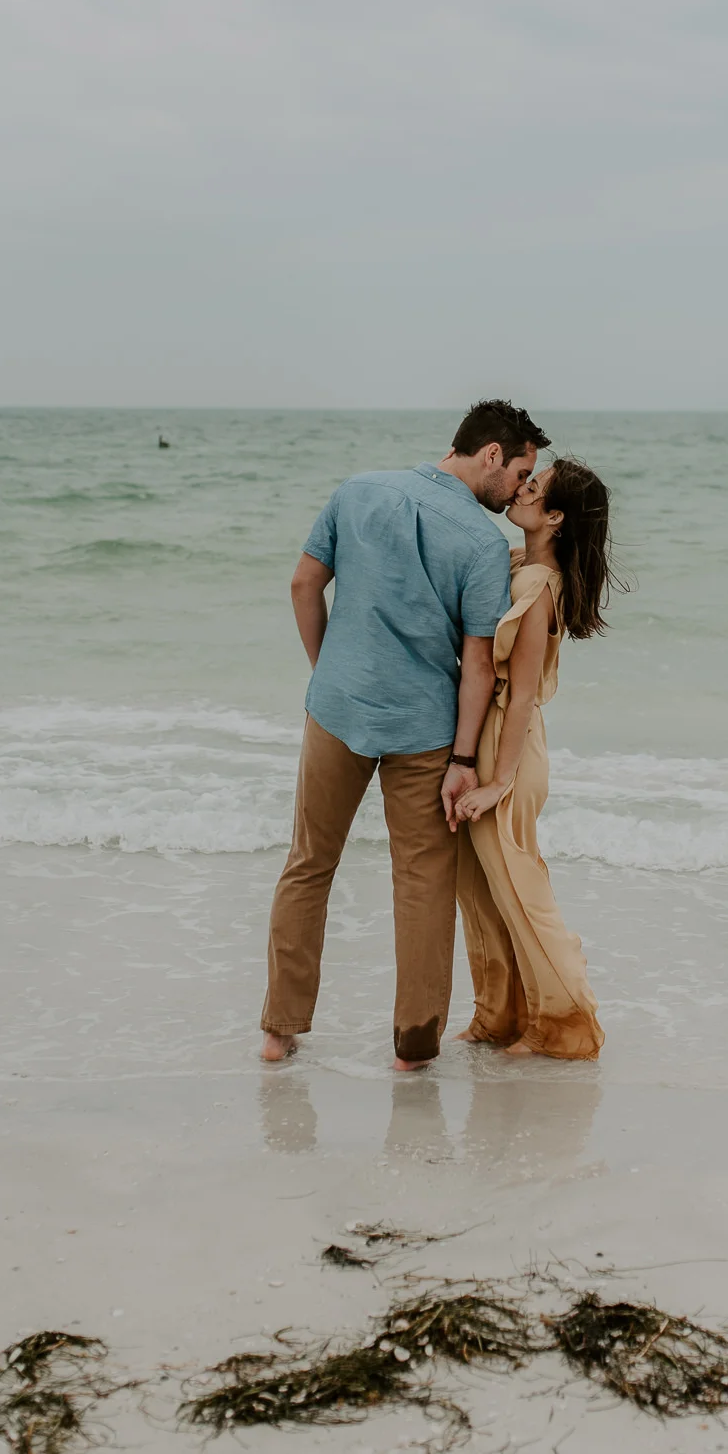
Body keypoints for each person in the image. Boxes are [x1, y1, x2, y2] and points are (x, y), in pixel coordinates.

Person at [261, 400, 551, 1071]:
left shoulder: (357, 489)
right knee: (421, 882)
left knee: (308, 865)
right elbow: (477, 663)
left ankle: (278, 1033)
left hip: (337, 707)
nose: (517, 488)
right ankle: (413, 1048)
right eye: (519, 471)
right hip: (425, 729)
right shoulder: (478, 544)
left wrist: (328, 669)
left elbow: (304, 584)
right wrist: (464, 758)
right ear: (489, 455)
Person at [453, 458, 620, 1060]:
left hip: (510, 748)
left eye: (535, 488)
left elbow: (521, 693)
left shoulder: (537, 588)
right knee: (480, 888)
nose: (521, 490)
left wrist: (497, 782)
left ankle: (564, 1023)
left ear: (554, 518)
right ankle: (498, 1015)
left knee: (521, 891)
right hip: (503, 741)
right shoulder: (526, 567)